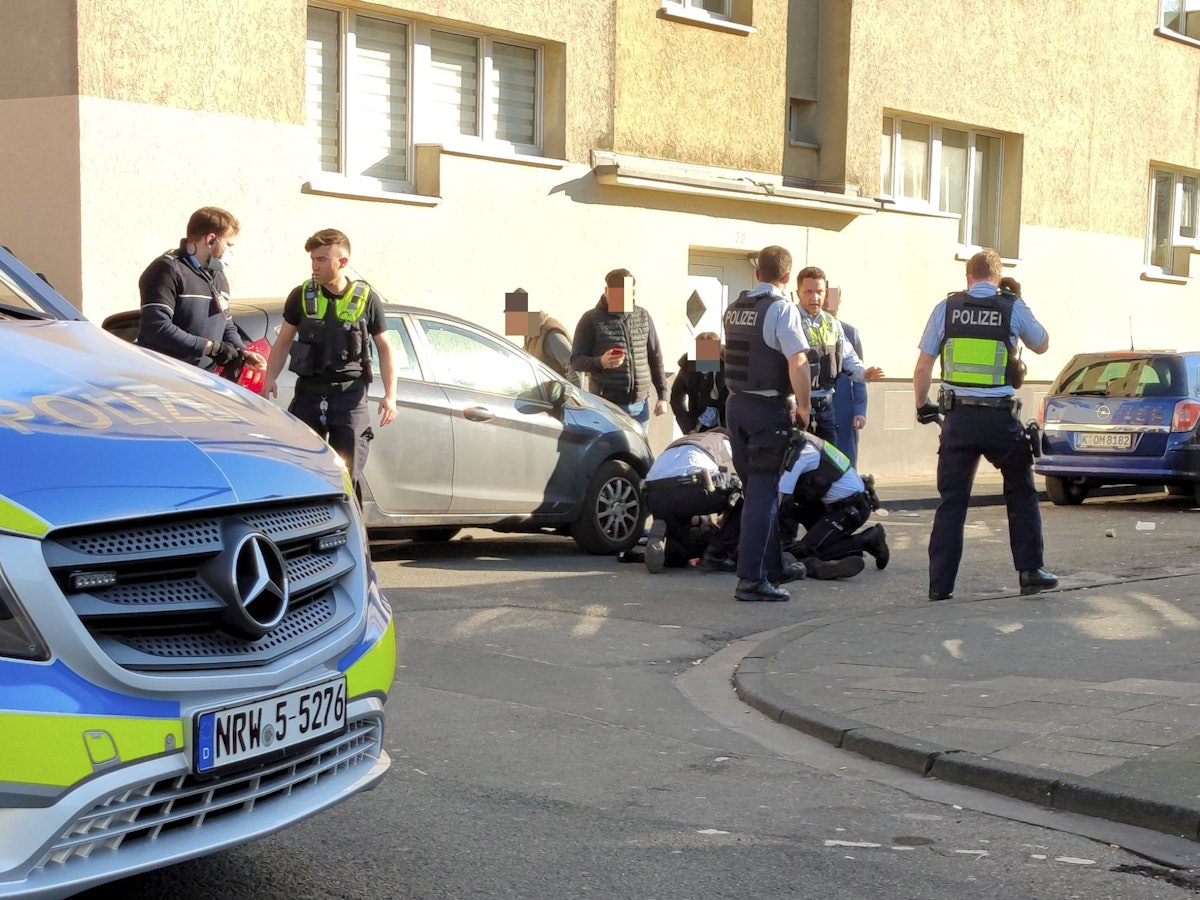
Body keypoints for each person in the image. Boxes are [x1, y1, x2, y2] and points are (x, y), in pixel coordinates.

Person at [914, 249, 1057, 602]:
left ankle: (939, 585)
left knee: (952, 501)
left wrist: (922, 406)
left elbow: (922, 368)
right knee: (1021, 489)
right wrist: (1019, 302)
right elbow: (1041, 343)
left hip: (957, 419)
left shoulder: (945, 309)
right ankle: (1029, 571)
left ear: (968, 277)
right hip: (999, 420)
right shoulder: (1011, 307)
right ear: (998, 277)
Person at [263, 229, 397, 498]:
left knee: (347, 477)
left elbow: (385, 347)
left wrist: (391, 395)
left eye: (322, 259)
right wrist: (270, 378)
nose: (315, 266)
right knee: (301, 471)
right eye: (313, 259)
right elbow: (283, 342)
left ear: (342, 262)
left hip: (350, 398)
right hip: (309, 395)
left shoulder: (366, 299)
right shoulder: (300, 296)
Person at [721, 245, 811, 602]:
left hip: (736, 406)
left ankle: (774, 566)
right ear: (787, 277)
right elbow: (798, 360)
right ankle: (752, 579)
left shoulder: (734, 308)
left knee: (757, 491)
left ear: (757, 273)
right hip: (766, 410)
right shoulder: (781, 309)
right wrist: (803, 405)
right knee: (762, 495)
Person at [137, 206, 266, 374]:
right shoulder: (168, 269)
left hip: (203, 380)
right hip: (165, 376)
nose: (231, 252)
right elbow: (157, 327)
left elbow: (226, 323)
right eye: (228, 244)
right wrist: (210, 348)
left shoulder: (218, 276)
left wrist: (242, 350)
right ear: (211, 240)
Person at [777, 431, 889, 578]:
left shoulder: (799, 454)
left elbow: (778, 498)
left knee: (806, 551)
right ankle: (816, 555)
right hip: (830, 506)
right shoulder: (802, 440)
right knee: (792, 509)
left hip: (850, 509)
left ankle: (867, 540)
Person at [794, 267, 882, 446]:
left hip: (826, 409)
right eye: (808, 292)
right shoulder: (788, 319)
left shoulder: (832, 324)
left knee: (831, 466)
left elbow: (849, 358)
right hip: (797, 408)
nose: (814, 298)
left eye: (819, 292)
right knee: (797, 466)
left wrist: (864, 373)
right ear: (798, 293)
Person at [570, 268, 668, 423]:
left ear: (633, 293)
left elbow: (655, 356)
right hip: (607, 405)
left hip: (640, 406)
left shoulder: (643, 316)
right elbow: (576, 361)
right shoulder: (590, 319)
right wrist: (600, 362)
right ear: (606, 291)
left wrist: (663, 396)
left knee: (639, 448)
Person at [642, 429, 740, 574]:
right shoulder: (725, 442)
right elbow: (735, 481)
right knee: (746, 494)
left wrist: (702, 518)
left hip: (654, 494)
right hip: (693, 488)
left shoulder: (684, 441)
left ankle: (669, 553)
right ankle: (716, 555)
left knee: (678, 557)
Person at [822, 284, 868, 467]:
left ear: (839, 300)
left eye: (832, 298)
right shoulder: (805, 327)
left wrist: (860, 410)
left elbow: (860, 375)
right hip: (818, 404)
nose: (827, 302)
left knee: (845, 460)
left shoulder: (849, 332)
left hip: (843, 407)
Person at [519, 290, 582, 388]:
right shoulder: (529, 334)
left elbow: (575, 367)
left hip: (556, 398)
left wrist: (571, 399)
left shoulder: (550, 335)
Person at [670, 331, 728, 434]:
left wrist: (730, 428)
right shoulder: (689, 366)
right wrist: (688, 428)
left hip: (725, 424)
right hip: (698, 425)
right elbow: (676, 398)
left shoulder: (727, 364)